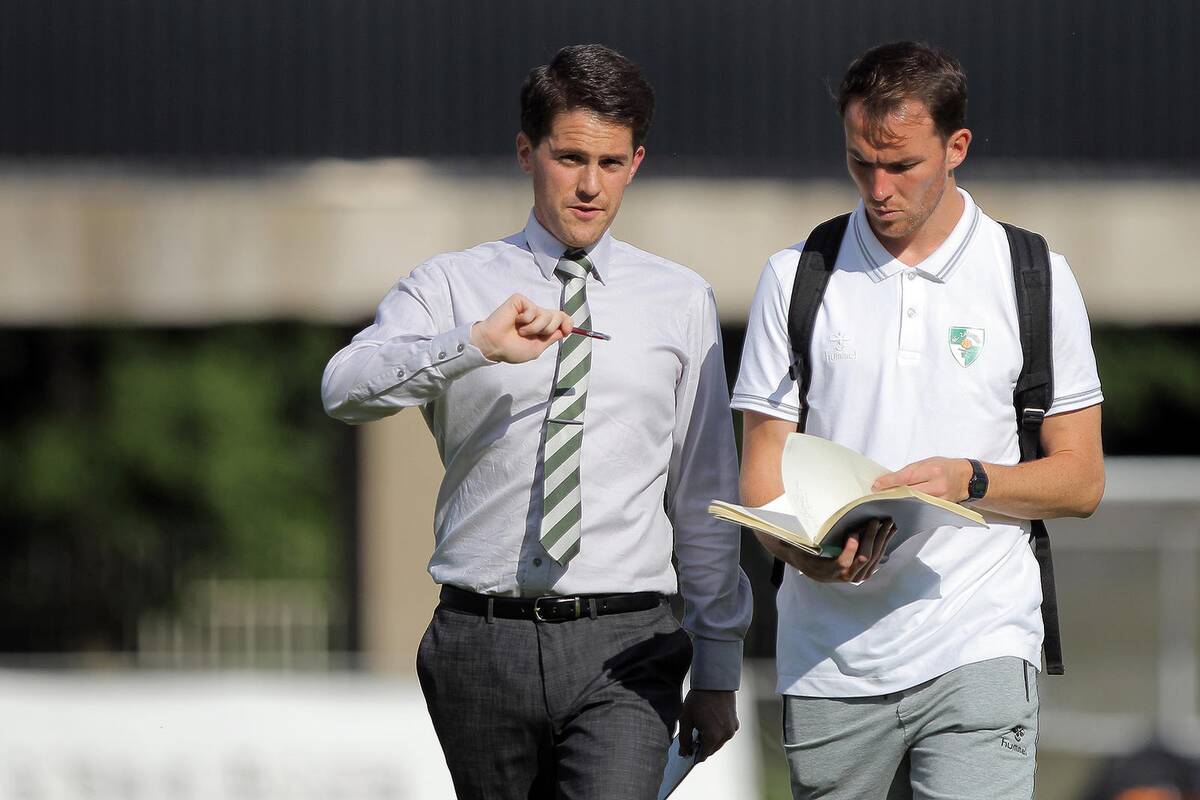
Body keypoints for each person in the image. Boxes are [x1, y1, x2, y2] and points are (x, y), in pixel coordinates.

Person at [322, 43, 752, 800]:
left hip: (630, 643)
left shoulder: (681, 300)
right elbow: (344, 389)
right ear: (528, 153)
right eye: (570, 158)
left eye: (611, 163)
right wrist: (473, 345)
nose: (590, 186)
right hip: (481, 640)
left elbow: (703, 493)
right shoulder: (451, 286)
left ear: (636, 162)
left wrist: (717, 666)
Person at [732, 41, 1105, 799]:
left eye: (901, 165)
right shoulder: (795, 275)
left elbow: (1082, 480)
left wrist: (969, 479)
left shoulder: (1033, 274)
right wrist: (801, 552)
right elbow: (761, 477)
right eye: (859, 161)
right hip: (830, 657)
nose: (878, 187)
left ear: (956, 147)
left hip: (982, 636)